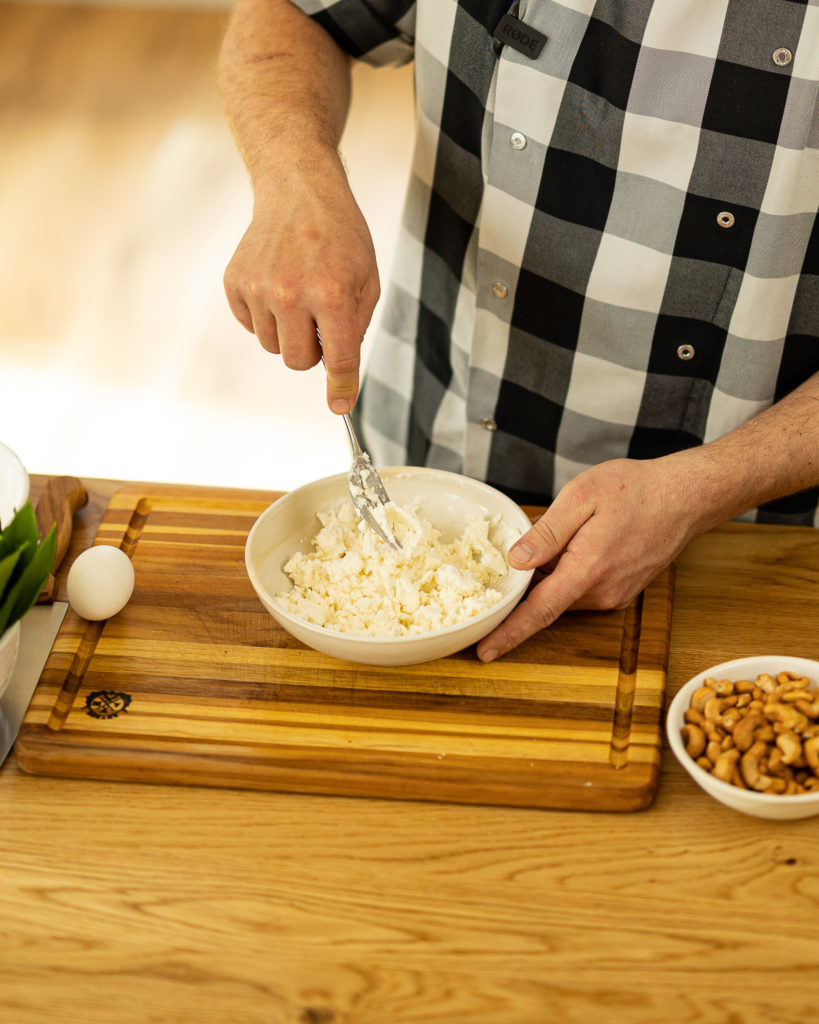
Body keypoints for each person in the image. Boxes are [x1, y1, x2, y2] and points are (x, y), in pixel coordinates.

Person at [218, 0, 819, 662]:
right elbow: (297, 11)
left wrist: (708, 485)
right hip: (432, 425)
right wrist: (296, 181)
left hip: (749, 533)